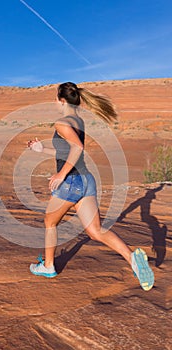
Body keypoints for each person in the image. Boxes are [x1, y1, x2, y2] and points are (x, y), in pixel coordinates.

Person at [28, 82, 154, 291]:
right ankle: (132, 259)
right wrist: (41, 150)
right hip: (86, 181)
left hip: (72, 182)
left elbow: (78, 148)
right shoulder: (78, 121)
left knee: (50, 222)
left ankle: (48, 266)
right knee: (95, 231)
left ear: (61, 100)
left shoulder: (62, 122)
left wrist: (61, 173)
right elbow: (69, 152)